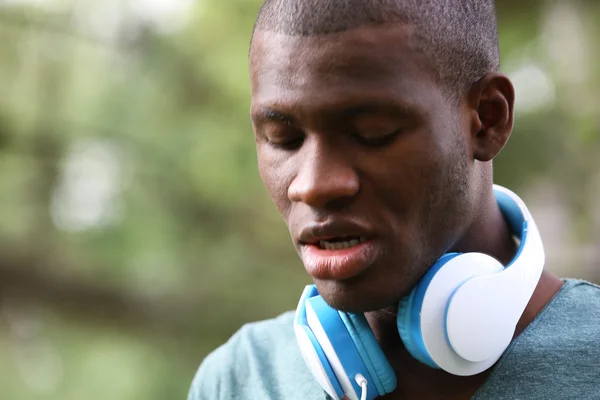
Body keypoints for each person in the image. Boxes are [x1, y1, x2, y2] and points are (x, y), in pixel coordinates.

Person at [188, 1, 600, 399]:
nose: (312, 185)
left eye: (372, 132)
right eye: (284, 139)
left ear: (488, 119)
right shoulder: (238, 379)